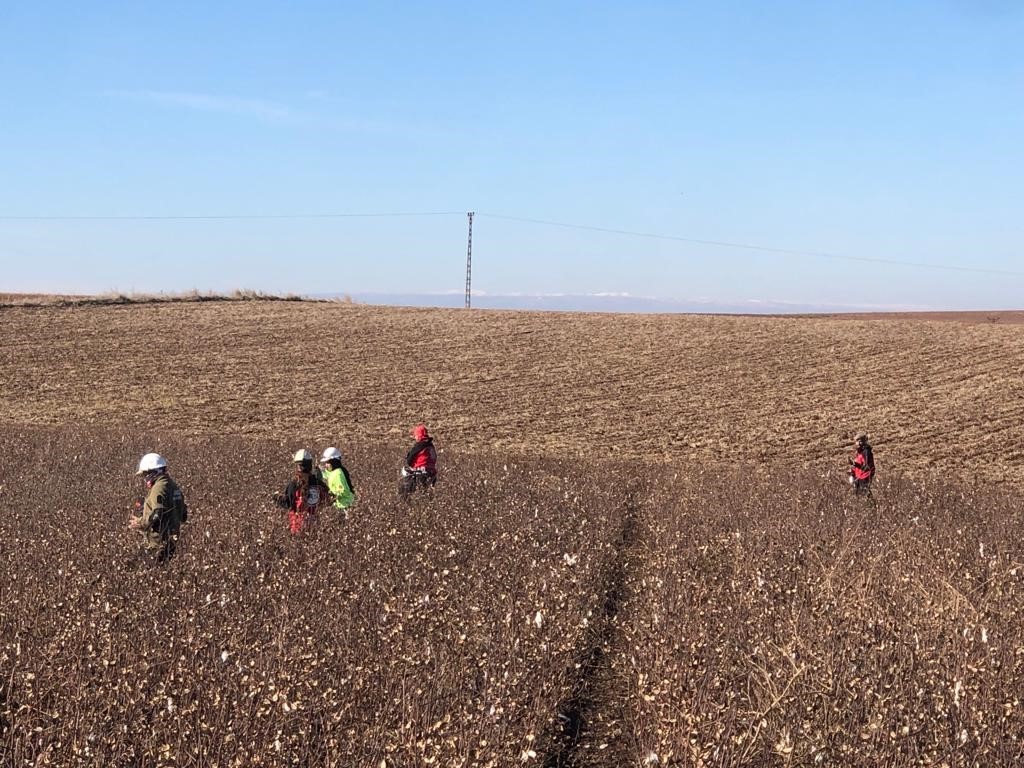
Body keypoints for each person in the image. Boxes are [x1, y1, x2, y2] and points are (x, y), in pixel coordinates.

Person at [128, 452, 188, 563]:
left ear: (152, 472)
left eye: (145, 474)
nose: (145, 478)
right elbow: (184, 515)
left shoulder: (158, 488)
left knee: (135, 567)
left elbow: (157, 513)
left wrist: (142, 523)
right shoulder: (173, 486)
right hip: (171, 542)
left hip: (157, 542)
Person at [275, 449, 329, 534]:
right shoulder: (319, 483)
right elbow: (327, 499)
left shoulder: (294, 484)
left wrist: (277, 498)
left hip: (298, 526)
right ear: (310, 465)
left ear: (297, 466)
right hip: (315, 527)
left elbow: (288, 504)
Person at [399, 423, 437, 499]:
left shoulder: (419, 446)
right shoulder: (431, 446)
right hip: (432, 475)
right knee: (426, 494)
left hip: (420, 474)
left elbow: (409, 459)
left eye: (415, 435)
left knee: (404, 492)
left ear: (419, 435)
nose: (415, 437)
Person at [319, 446, 356, 513]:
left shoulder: (338, 474)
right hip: (340, 505)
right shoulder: (335, 471)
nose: (326, 465)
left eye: (328, 463)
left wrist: (332, 495)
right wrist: (320, 472)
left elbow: (344, 491)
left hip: (345, 506)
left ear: (334, 462)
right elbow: (329, 476)